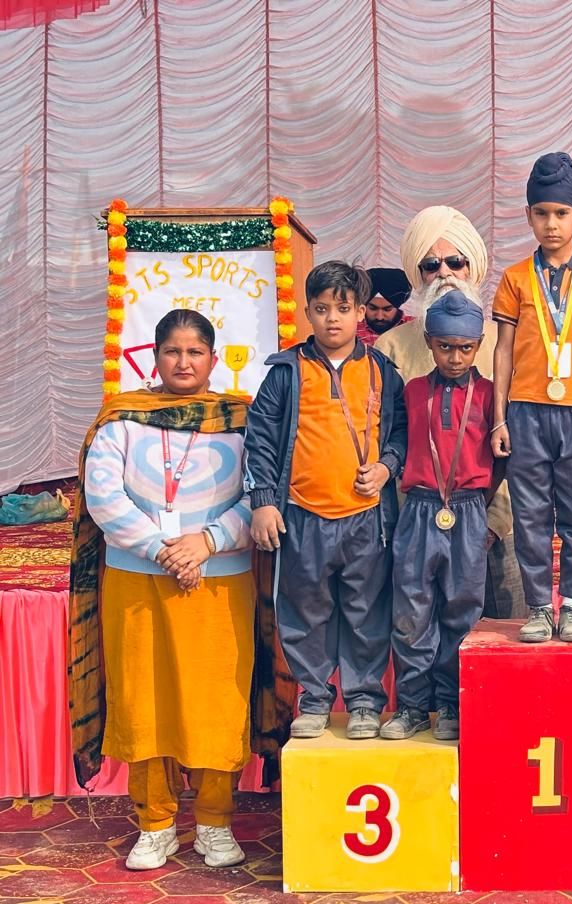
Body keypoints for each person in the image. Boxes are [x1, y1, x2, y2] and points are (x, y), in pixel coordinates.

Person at [70, 310, 279, 871]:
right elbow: (103, 498)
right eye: (172, 352)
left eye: (194, 352)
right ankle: (155, 824)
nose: (183, 363)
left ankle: (214, 822)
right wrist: (164, 549)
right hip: (138, 580)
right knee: (144, 700)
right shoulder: (121, 420)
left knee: (218, 703)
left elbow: (260, 493)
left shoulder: (241, 421)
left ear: (213, 359)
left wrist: (206, 543)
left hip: (219, 581)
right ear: (155, 356)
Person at [246, 261, 406, 741]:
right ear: (307, 313)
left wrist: (387, 467)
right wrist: (263, 501)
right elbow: (260, 439)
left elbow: (399, 432)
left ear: (360, 312)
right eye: (321, 309)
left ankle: (363, 701)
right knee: (305, 611)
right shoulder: (286, 372)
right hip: (303, 514)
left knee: (366, 612)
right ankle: (314, 698)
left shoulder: (382, 371)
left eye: (342, 308)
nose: (332, 318)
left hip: (366, 519)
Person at [491, 152, 572, 643]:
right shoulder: (514, 279)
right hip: (526, 412)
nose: (552, 224)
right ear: (528, 215)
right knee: (529, 515)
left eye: (562, 213)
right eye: (542, 213)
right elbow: (503, 351)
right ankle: (538, 608)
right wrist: (499, 418)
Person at [376, 205, 525, 621]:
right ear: (416, 273)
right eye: (431, 265)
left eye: (455, 262)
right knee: (420, 633)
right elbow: (387, 439)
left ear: (472, 267)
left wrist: (493, 521)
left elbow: (522, 442)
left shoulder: (504, 343)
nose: (444, 273)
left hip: (496, 523)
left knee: (503, 637)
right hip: (417, 526)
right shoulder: (390, 347)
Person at [383, 291, 500, 741]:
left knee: (461, 611)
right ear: (429, 343)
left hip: (468, 509)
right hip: (419, 507)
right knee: (411, 612)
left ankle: (451, 703)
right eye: (445, 347)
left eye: (465, 348)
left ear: (479, 345)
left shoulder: (490, 395)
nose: (455, 358)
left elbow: (502, 459)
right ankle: (413, 706)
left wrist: (482, 509)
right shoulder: (412, 391)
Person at [358, 267, 412, 346]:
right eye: (372, 308)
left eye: (387, 309)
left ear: (397, 306)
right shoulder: (350, 329)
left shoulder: (416, 328)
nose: (379, 317)